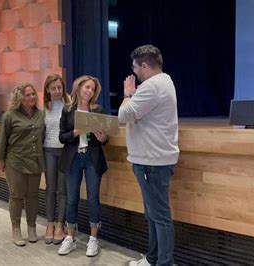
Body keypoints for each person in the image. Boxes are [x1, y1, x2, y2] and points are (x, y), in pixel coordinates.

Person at [118, 45, 179, 266]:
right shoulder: (165, 81)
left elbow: (124, 116)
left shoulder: (151, 86)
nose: (134, 72)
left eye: (135, 67)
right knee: (153, 215)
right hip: (152, 160)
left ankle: (163, 262)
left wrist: (127, 94)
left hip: (151, 162)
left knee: (159, 217)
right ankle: (153, 258)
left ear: (144, 65)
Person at [57, 75, 108, 257]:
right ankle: (70, 237)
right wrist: (76, 132)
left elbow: (104, 137)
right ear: (78, 88)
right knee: (72, 199)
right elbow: (62, 137)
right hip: (74, 158)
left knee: (93, 198)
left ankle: (94, 239)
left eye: (93, 89)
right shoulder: (68, 110)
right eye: (87, 87)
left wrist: (103, 138)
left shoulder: (97, 109)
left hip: (92, 157)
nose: (90, 91)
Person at [0, 83, 45, 247]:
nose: (32, 97)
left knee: (32, 196)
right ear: (20, 98)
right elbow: (2, 139)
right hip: (15, 161)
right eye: (28, 95)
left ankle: (31, 227)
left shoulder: (41, 114)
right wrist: (0, 158)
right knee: (16, 196)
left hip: (35, 161)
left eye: (33, 94)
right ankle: (16, 229)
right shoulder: (9, 116)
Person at [42, 73, 71, 245]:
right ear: (47, 89)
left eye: (59, 87)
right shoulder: (44, 107)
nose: (57, 91)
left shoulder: (68, 105)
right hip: (48, 151)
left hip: (65, 151)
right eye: (53, 88)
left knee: (63, 190)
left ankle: (61, 224)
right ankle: (50, 224)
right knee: (50, 189)